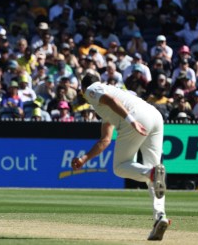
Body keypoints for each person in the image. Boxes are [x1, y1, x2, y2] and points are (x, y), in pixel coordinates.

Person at [72, 73, 169, 241]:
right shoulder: (107, 105)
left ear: (83, 88)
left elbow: (111, 101)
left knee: (120, 167)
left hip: (136, 116)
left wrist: (131, 121)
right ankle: (160, 217)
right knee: (153, 177)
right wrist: (84, 159)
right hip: (154, 116)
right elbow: (105, 140)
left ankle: (151, 172)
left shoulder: (91, 89)